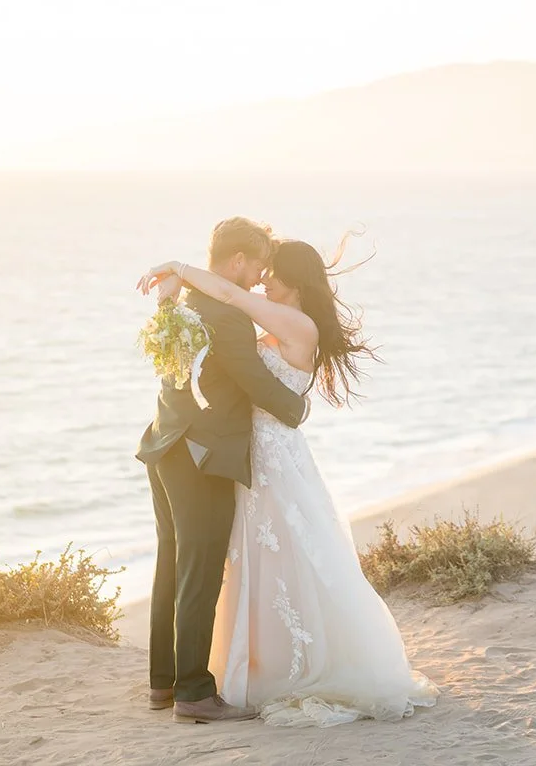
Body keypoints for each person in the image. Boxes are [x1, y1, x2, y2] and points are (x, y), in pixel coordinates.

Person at [139, 236, 436, 726]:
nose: (264, 279)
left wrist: (179, 266)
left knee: (285, 556)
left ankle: (261, 670)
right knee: (255, 562)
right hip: (253, 452)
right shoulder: (279, 319)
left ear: (293, 281)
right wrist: (178, 286)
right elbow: (231, 327)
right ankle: (235, 668)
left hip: (273, 456)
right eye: (262, 269)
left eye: (272, 272)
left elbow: (233, 300)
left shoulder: (297, 323)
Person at [136, 216, 310, 724]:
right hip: (200, 456)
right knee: (201, 567)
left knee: (172, 564)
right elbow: (254, 380)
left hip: (164, 444)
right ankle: (193, 691)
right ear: (237, 261)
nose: (259, 278)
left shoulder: (188, 303)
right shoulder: (226, 316)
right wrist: (297, 409)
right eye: (257, 266)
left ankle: (162, 683)